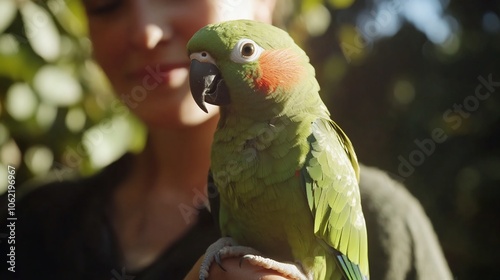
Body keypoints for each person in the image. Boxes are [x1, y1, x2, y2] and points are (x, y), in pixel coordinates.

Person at [0, 0, 453, 279]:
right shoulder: (26, 223)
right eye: (106, 4)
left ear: (265, 5)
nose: (146, 30)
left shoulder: (371, 205)